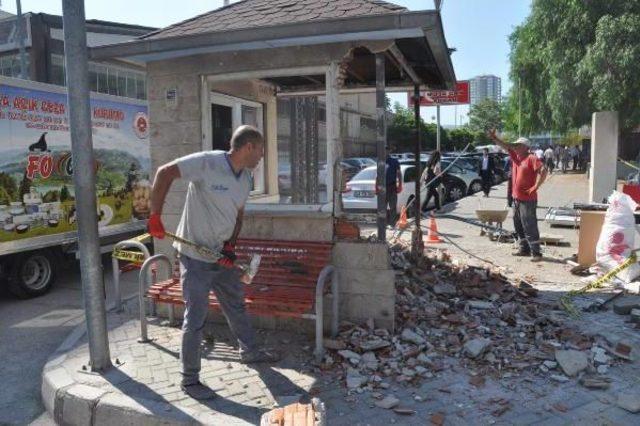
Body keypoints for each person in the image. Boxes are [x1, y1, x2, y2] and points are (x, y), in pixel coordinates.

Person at [148, 125, 279, 400]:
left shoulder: (245, 179)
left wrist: (231, 244)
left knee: (236, 304)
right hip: (194, 258)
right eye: (261, 151)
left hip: (220, 256)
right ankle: (189, 379)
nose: (262, 157)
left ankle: (250, 352)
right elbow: (164, 173)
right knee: (195, 317)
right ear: (248, 147)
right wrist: (155, 216)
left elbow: (238, 215)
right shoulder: (208, 162)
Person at [488, 130, 547, 262]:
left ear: (526, 147)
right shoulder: (516, 157)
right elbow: (506, 146)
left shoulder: (531, 158)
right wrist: (495, 138)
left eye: (519, 145)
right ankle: (524, 248)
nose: (516, 147)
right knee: (518, 225)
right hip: (516, 199)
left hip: (528, 200)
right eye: (516, 145)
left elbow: (543, 171)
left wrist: (536, 187)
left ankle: (536, 253)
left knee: (529, 225)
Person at [385, 146, 402, 225]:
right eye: (384, 150)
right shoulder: (380, 161)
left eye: (387, 150)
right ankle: (383, 224)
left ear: (389, 151)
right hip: (382, 188)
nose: (385, 152)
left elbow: (399, 173)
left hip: (392, 187)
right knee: (382, 207)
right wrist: (376, 187)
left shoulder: (394, 161)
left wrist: (400, 185)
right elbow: (377, 175)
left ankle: (392, 223)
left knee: (392, 207)